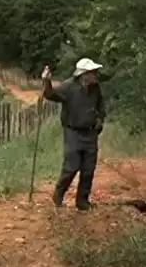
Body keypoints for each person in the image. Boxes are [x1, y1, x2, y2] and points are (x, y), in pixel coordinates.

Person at [41, 58, 106, 211]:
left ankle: (82, 201)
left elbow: (101, 105)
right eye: (92, 72)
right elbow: (50, 95)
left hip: (91, 133)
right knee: (71, 166)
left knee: (88, 169)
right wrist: (46, 81)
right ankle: (59, 194)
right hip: (73, 132)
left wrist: (100, 119)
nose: (95, 74)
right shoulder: (69, 87)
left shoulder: (95, 87)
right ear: (84, 74)